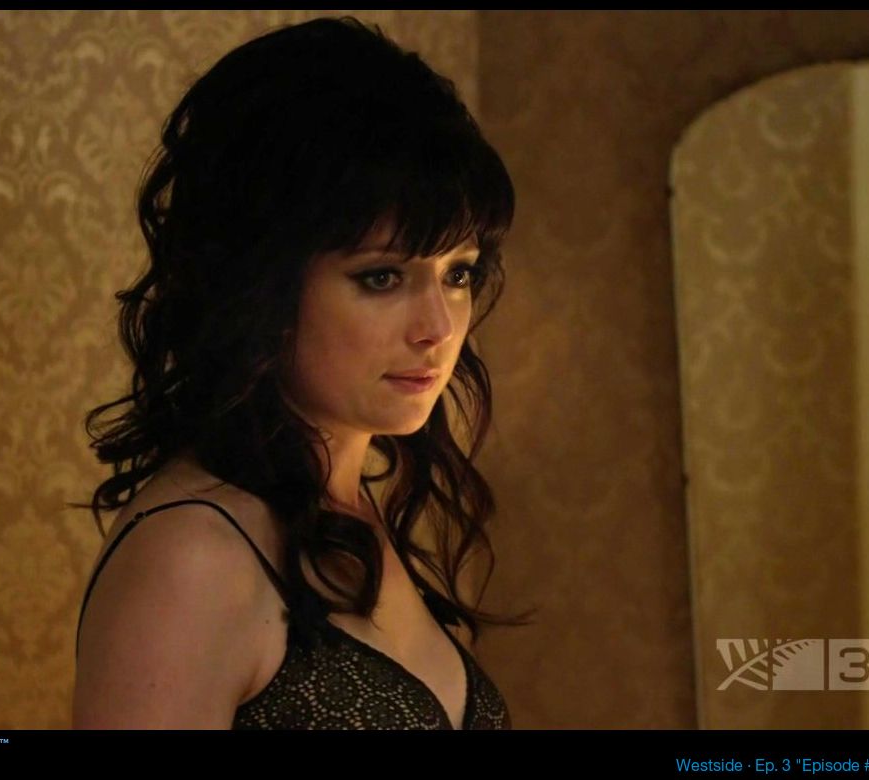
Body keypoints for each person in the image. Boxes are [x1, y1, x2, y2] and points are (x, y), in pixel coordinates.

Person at [72, 16, 529, 730]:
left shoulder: (356, 516)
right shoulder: (192, 557)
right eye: (382, 277)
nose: (439, 328)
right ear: (262, 284)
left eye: (458, 274)